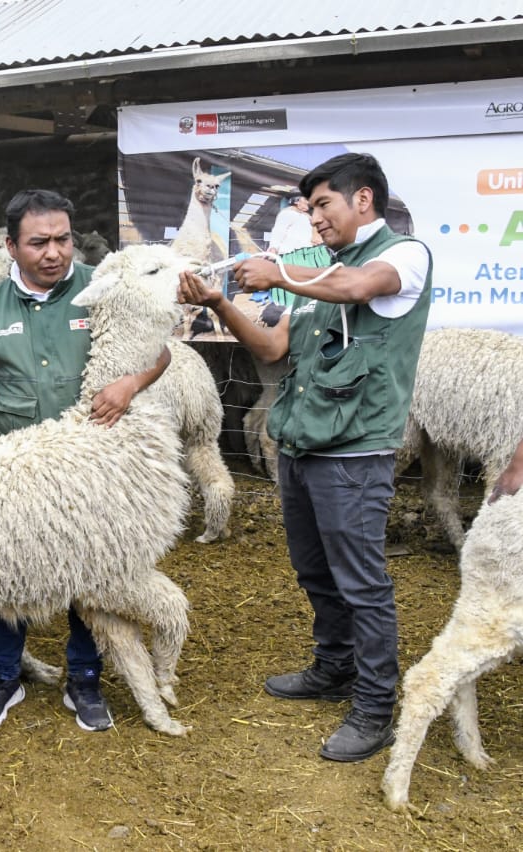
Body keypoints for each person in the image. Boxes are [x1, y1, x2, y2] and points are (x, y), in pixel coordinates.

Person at [178, 152, 432, 763]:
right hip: (300, 444)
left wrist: (280, 275)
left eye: (323, 204)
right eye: (310, 206)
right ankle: (333, 667)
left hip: (354, 452)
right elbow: (271, 347)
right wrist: (218, 302)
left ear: (363, 199)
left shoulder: (403, 255)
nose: (314, 218)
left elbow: (357, 289)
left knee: (361, 583)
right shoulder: (324, 272)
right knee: (315, 572)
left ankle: (374, 706)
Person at [0, 189, 171, 734]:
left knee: (93, 575)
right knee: (7, 573)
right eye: (39, 242)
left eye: (63, 239)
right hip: (18, 471)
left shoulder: (103, 290)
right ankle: (2, 676)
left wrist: (130, 384)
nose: (55, 252)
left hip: (93, 467)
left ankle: (84, 679)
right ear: (12, 247)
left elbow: (158, 353)